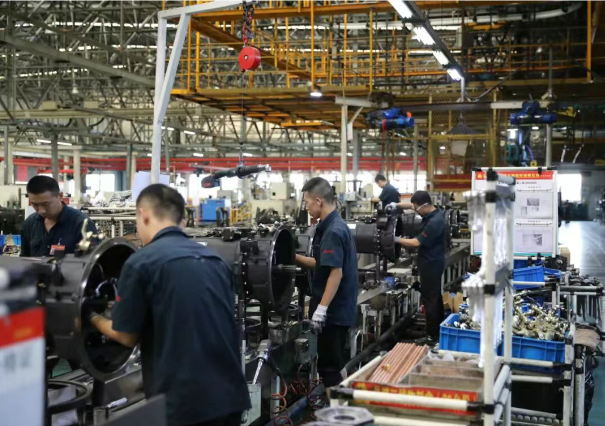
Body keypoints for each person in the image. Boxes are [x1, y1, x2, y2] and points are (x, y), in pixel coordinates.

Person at [89, 184, 250, 426]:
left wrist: (90, 316)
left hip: (183, 405)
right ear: (181, 220)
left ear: (143, 214)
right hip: (230, 397)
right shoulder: (215, 260)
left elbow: (125, 336)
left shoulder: (141, 262)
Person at [295, 177, 358, 387]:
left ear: (318, 201)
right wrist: (292, 257)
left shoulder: (333, 231)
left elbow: (335, 273)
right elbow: (320, 263)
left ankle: (339, 406)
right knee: (336, 363)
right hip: (338, 308)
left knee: (329, 369)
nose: (306, 207)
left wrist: (321, 310)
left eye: (307, 202)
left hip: (334, 312)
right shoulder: (333, 225)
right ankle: (344, 397)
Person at [395, 191, 447, 345]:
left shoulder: (434, 222)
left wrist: (397, 239)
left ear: (424, 205)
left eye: (416, 208)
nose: (415, 210)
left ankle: (431, 336)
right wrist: (396, 205)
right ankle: (438, 330)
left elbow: (417, 242)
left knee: (430, 300)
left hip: (431, 264)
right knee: (435, 297)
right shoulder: (433, 211)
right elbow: (412, 206)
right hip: (432, 261)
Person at [21, 175, 97, 257]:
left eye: (45, 204)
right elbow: (24, 259)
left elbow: (92, 261)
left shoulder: (81, 224)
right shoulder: (30, 223)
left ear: (60, 196)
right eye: (35, 205)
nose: (41, 210)